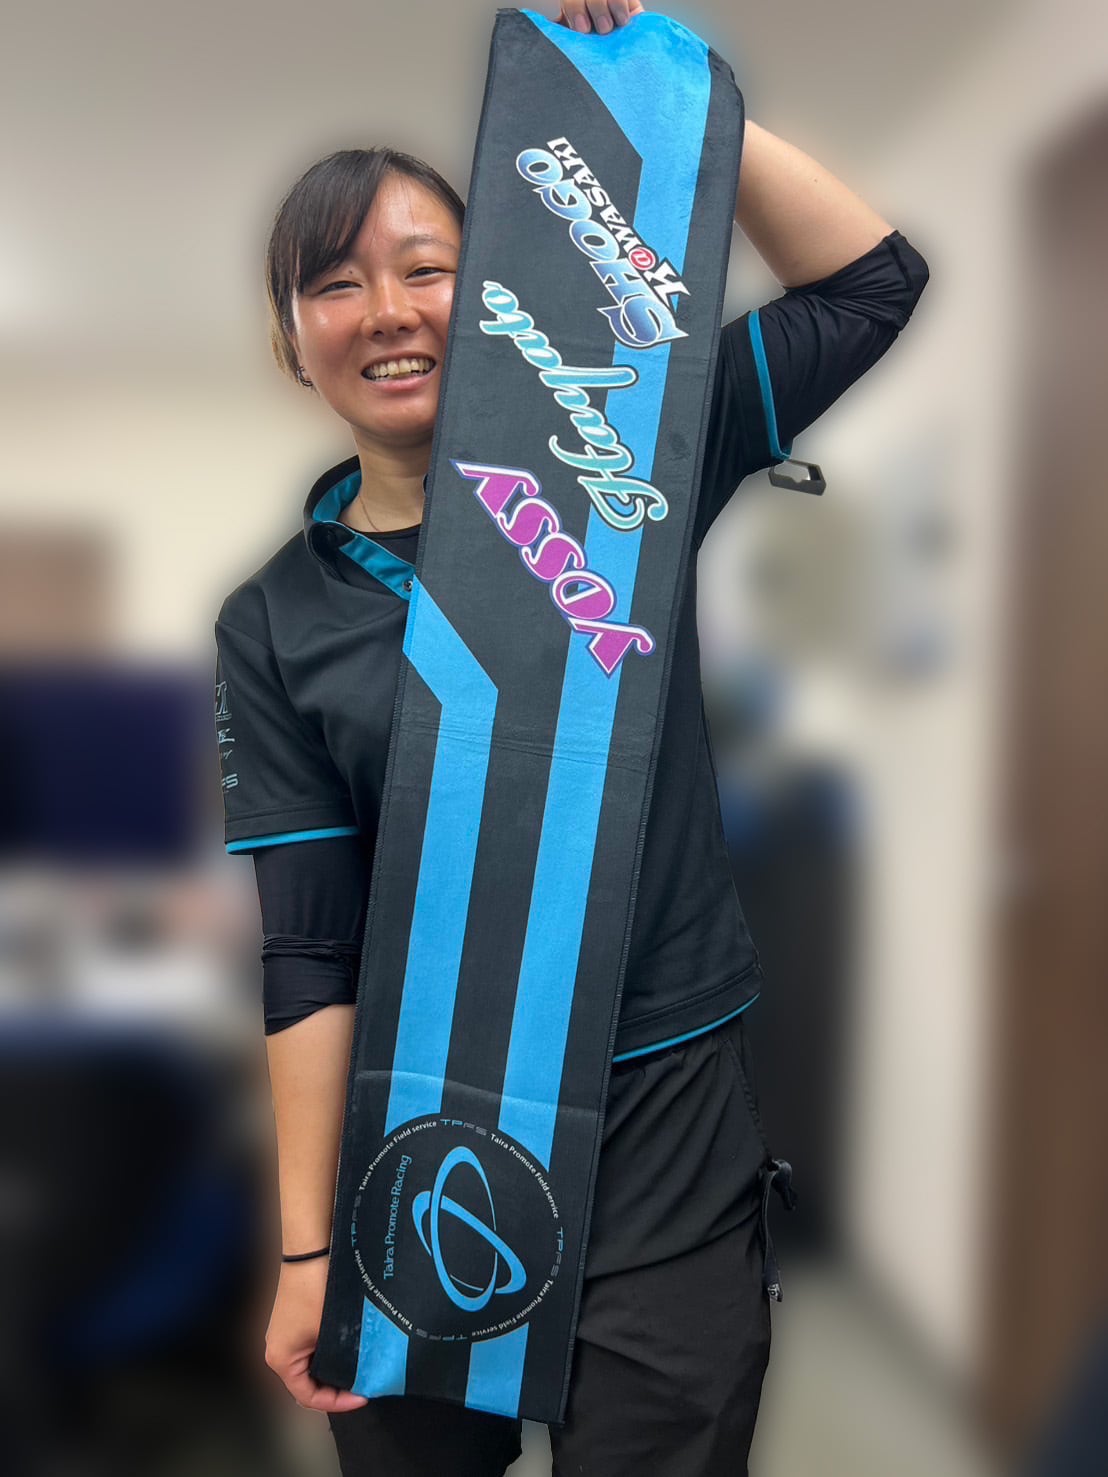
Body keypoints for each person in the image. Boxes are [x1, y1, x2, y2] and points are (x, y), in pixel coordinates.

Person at [213, 2, 930, 1472]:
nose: (386, 309)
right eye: (334, 284)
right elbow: (307, 947)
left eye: (427, 267)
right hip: (420, 1138)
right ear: (293, 340)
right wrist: (304, 1250)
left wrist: (659, 83)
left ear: (495, 288)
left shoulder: (629, 460)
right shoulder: (276, 619)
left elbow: (871, 284)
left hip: (665, 1114)